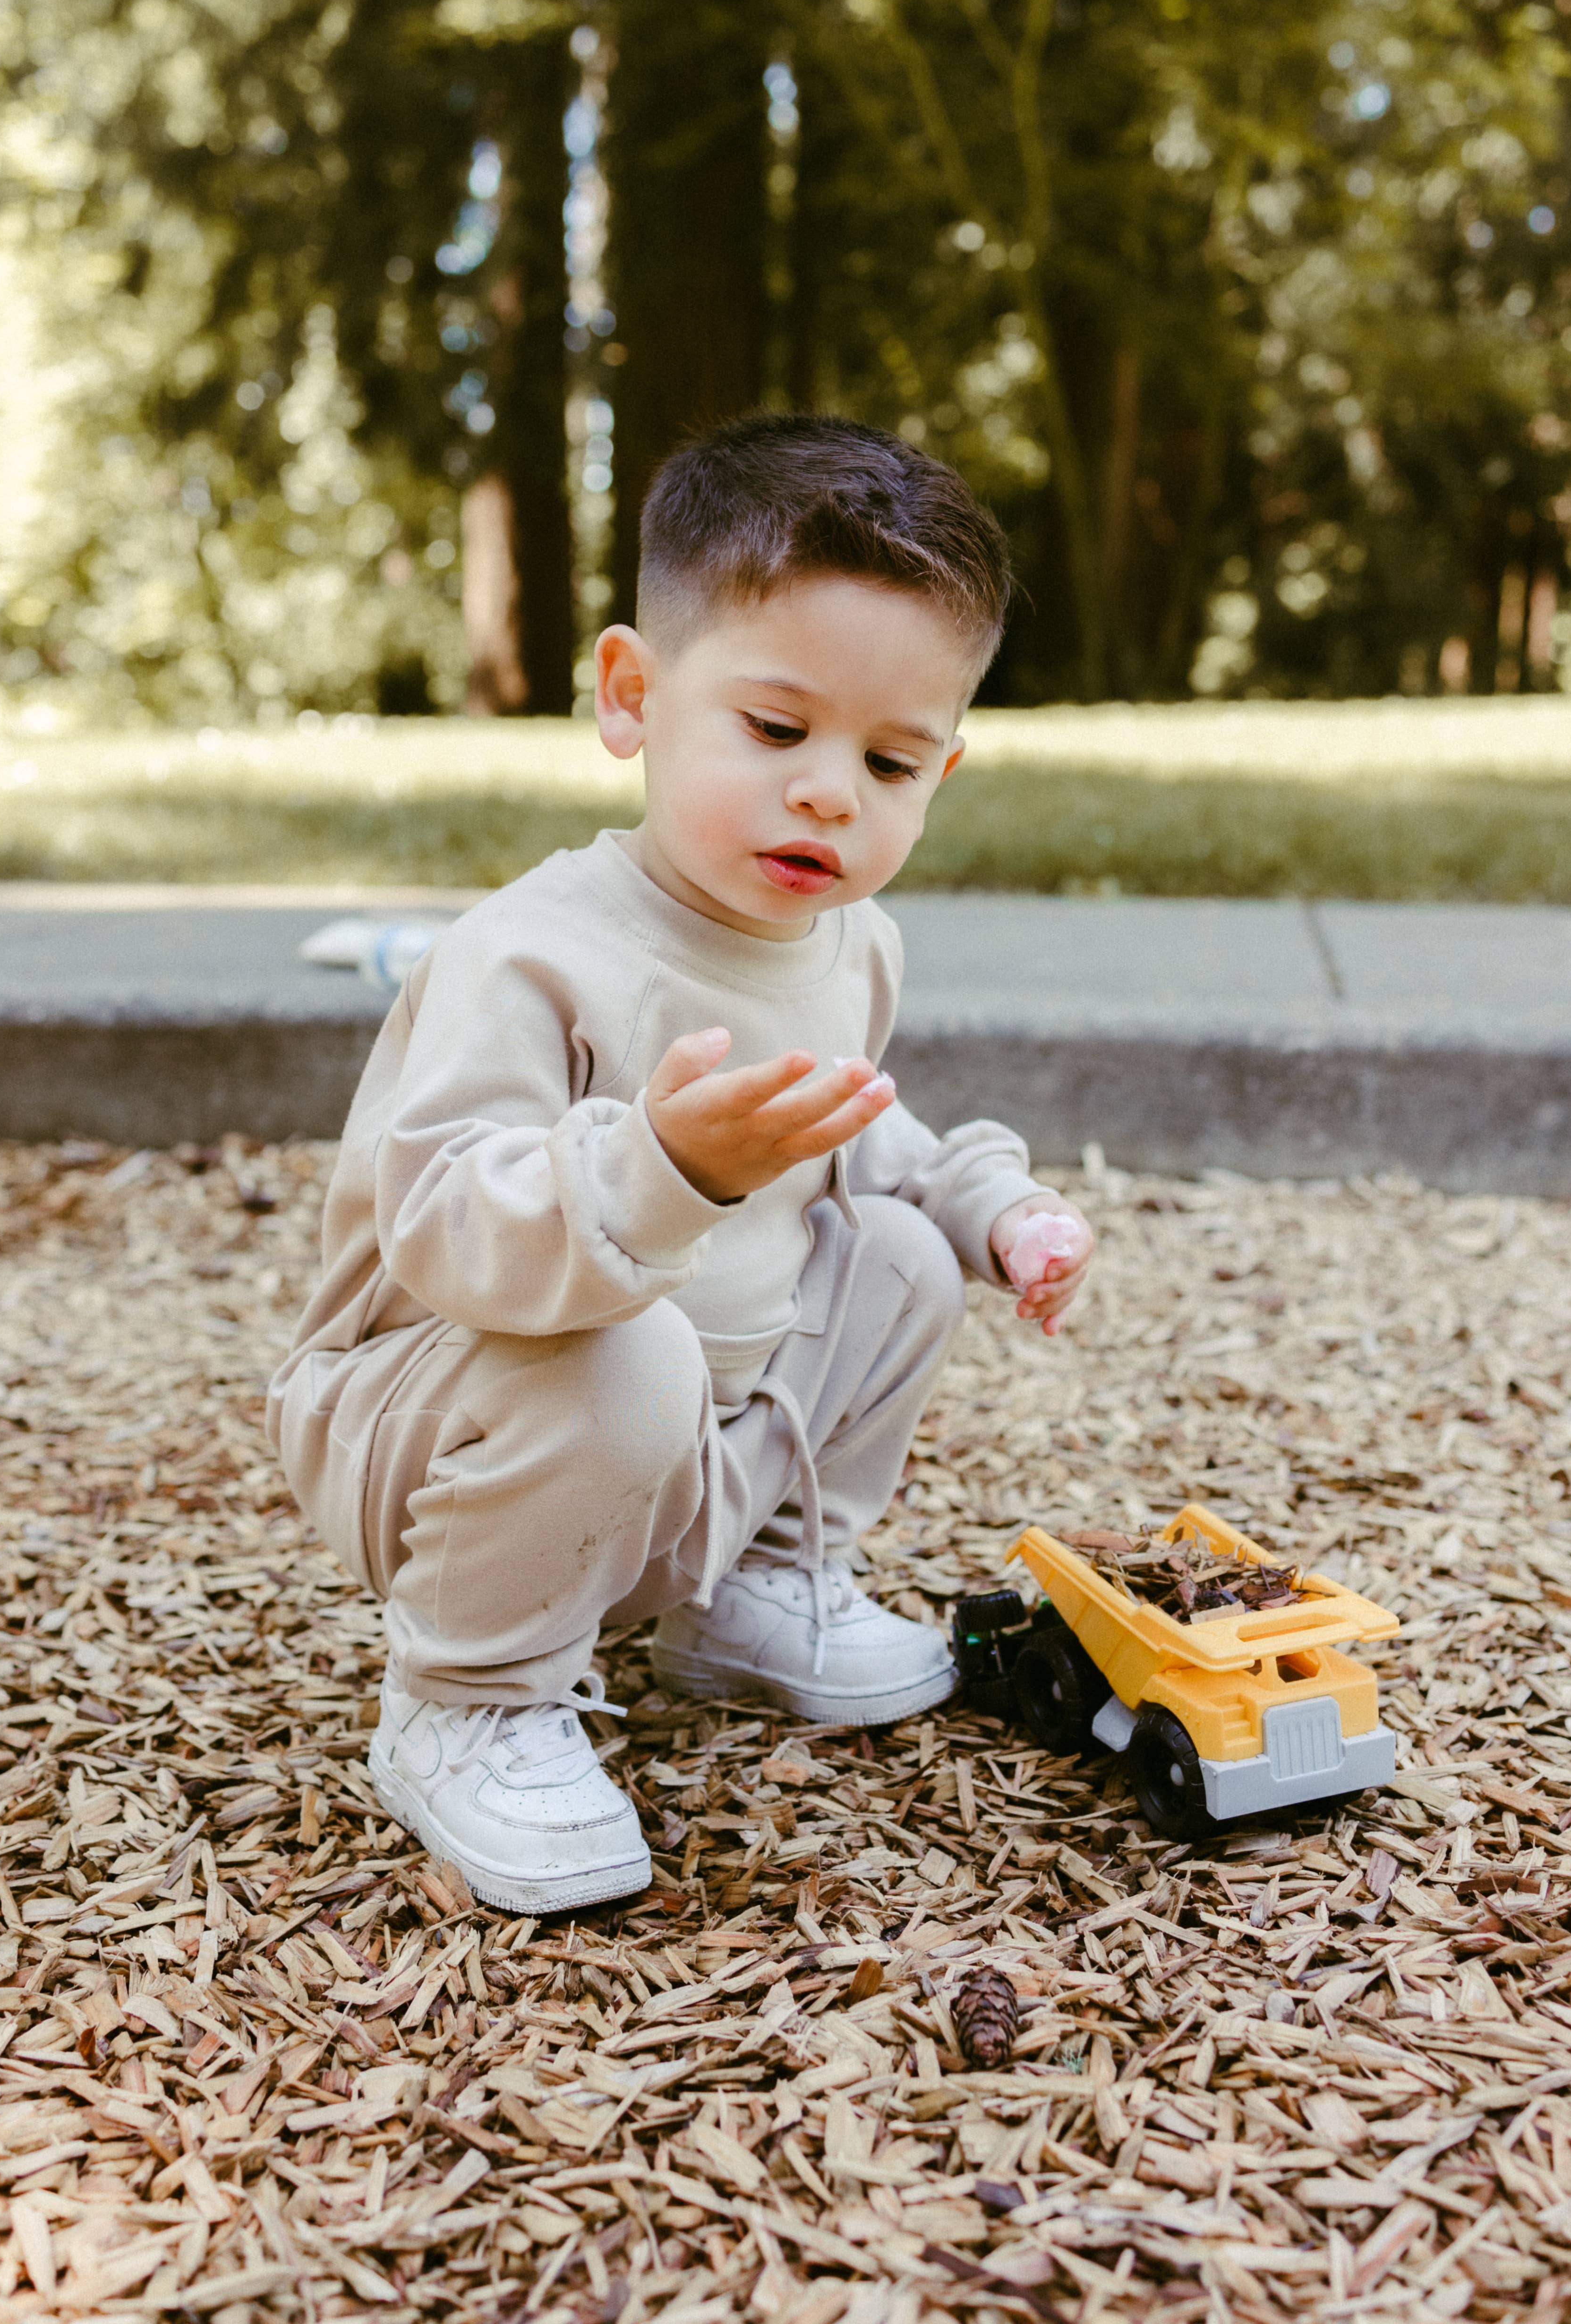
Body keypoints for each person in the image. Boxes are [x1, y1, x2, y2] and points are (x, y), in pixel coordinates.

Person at [268, 414, 1095, 1914]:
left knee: (896, 1258)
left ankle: (749, 1595)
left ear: (944, 769)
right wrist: (659, 1169)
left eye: (892, 760)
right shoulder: (532, 955)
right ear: (633, 695)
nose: (833, 792)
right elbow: (446, 1228)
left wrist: (991, 1206)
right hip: (441, 1419)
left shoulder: (850, 944)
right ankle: (468, 1694)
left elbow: (869, 1135)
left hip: (686, 1446)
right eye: (778, 732)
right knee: (627, 1347)